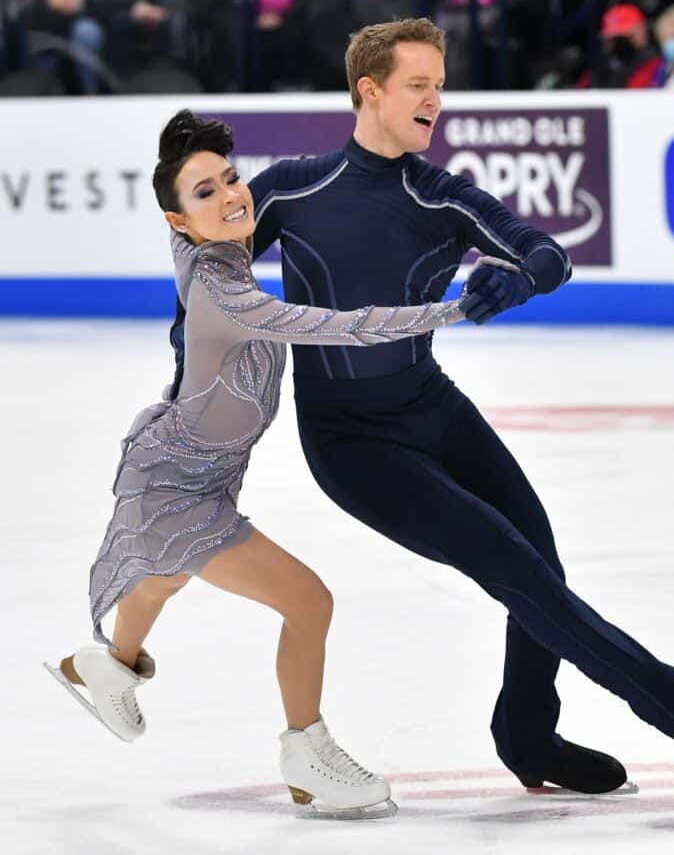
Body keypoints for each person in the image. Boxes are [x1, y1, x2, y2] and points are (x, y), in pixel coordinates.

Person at [170, 18, 674, 796]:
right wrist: (189, 359)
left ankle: (527, 734)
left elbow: (546, 252)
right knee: (514, 568)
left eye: (440, 87)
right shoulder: (290, 187)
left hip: (433, 408)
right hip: (351, 442)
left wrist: (522, 279)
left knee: (538, 557)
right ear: (371, 90)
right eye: (419, 85)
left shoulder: (441, 195)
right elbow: (207, 275)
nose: (435, 102)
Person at [46, 109, 468, 819]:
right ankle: (306, 754)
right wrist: (452, 311)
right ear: (180, 224)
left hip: (186, 469)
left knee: (160, 580)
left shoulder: (205, 255)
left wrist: (184, 153)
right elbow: (346, 327)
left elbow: (200, 203)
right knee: (308, 601)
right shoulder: (228, 296)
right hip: (179, 489)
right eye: (204, 193)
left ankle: (106, 665)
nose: (231, 195)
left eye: (231, 179)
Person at [577, 3, 660, 89]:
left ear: (640, 32)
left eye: (621, 38)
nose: (615, 45)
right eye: (611, 39)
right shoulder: (602, 66)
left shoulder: (654, 66)